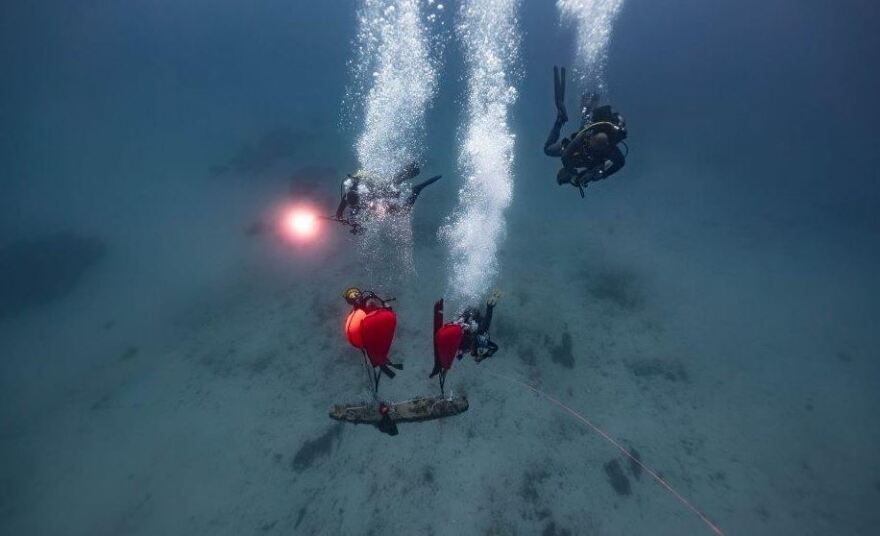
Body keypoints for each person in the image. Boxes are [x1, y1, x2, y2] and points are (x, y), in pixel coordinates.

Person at [544, 66, 628, 197]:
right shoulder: (587, 138)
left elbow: (619, 163)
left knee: (548, 150)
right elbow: (566, 156)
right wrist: (578, 176)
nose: (600, 146)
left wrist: (588, 176)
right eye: (599, 143)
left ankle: (561, 119)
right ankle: (581, 109)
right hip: (577, 148)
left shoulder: (607, 150)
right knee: (586, 120)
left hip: (577, 152)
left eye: (601, 146)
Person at [332, 162, 442, 232]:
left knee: (403, 209)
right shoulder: (347, 196)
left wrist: (358, 223)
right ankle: (408, 171)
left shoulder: (365, 195)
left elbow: (372, 212)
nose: (351, 206)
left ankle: (416, 189)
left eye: (354, 205)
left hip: (379, 192)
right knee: (392, 184)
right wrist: (345, 220)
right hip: (379, 189)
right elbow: (338, 214)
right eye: (351, 205)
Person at [429, 290, 501, 394]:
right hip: (470, 322)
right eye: (473, 353)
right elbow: (486, 325)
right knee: (479, 327)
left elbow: (494, 347)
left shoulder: (467, 345)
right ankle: (480, 302)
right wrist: (490, 307)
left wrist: (444, 369)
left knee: (476, 324)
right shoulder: (474, 335)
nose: (472, 354)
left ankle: (480, 302)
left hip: (469, 323)